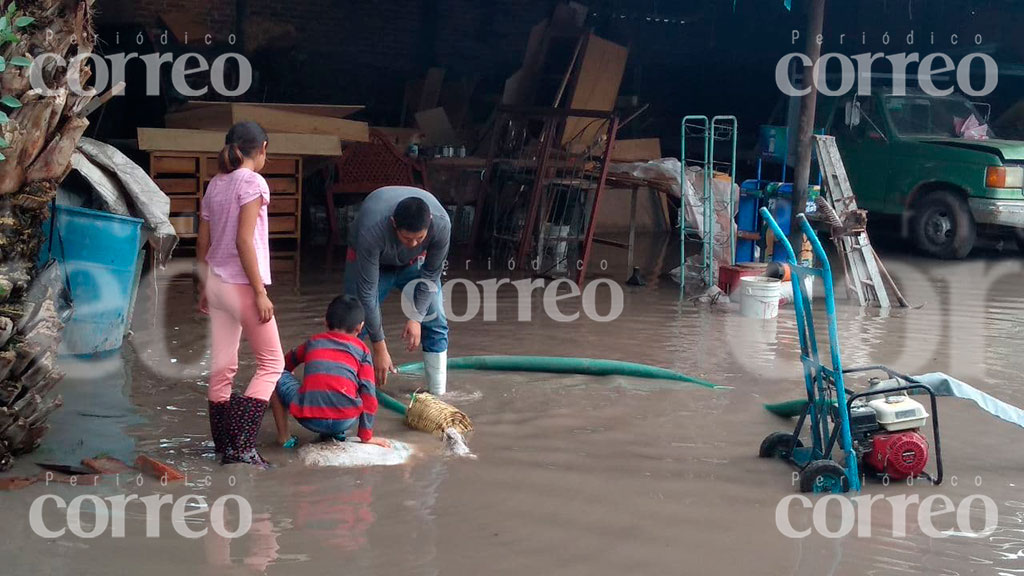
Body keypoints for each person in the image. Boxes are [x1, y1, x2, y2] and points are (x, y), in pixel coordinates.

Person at [197, 121, 283, 467]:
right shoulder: (253, 182)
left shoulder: (215, 184)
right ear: (262, 147)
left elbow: (203, 241)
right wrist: (260, 292)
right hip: (243, 286)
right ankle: (243, 446)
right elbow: (243, 241)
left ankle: (224, 448)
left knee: (223, 367)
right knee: (272, 363)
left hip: (217, 284)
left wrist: (204, 286)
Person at [345, 186, 451, 394]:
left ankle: (438, 395)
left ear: (429, 222)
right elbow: (368, 293)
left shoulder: (442, 224)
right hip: (369, 261)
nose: (412, 243)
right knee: (352, 322)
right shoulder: (373, 229)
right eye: (406, 238)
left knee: (435, 317)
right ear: (394, 224)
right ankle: (344, 391)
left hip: (414, 265)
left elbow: (431, 275)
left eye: (419, 239)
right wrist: (379, 347)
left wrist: (416, 318)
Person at [270, 295, 391, 448]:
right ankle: (335, 432)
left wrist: (287, 374)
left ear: (325, 322)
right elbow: (369, 394)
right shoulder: (362, 350)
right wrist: (366, 437)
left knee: (272, 372)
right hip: (345, 421)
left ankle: (284, 438)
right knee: (358, 384)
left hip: (309, 420)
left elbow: (288, 360)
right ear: (360, 327)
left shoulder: (314, 341)